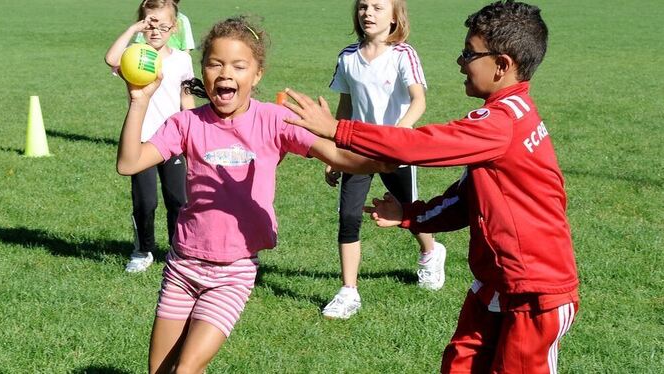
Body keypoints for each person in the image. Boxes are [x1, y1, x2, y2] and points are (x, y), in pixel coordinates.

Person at [283, 1, 580, 372]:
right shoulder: (505, 119)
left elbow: (420, 145)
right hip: (495, 281)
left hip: (535, 292)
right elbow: (465, 197)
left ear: (502, 65)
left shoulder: (501, 123)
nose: (460, 61)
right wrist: (409, 215)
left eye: (469, 54)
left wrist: (338, 131)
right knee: (458, 364)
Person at [115, 16, 393, 373]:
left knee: (185, 369)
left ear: (257, 74)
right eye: (215, 64)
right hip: (182, 266)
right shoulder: (185, 123)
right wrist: (138, 100)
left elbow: (338, 156)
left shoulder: (273, 120)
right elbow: (129, 162)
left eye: (238, 66)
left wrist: (387, 158)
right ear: (203, 70)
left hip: (233, 272)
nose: (225, 73)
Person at [320, 0, 447, 320]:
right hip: (357, 151)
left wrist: (398, 137)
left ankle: (431, 253)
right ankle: (348, 292)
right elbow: (345, 108)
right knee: (349, 216)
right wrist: (333, 153)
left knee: (411, 213)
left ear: (394, 16)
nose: (368, 13)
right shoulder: (347, 57)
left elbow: (418, 101)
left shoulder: (404, 54)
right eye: (364, 6)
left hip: (396, 151)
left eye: (378, 7)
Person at [105, 0, 195, 273]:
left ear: (174, 27)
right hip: (141, 141)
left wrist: (192, 137)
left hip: (173, 142)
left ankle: (177, 251)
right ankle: (142, 251)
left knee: (177, 201)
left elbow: (187, 100)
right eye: (149, 24)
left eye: (163, 25)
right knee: (145, 202)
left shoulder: (182, 58)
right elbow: (111, 59)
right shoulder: (134, 55)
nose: (156, 31)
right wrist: (134, 28)